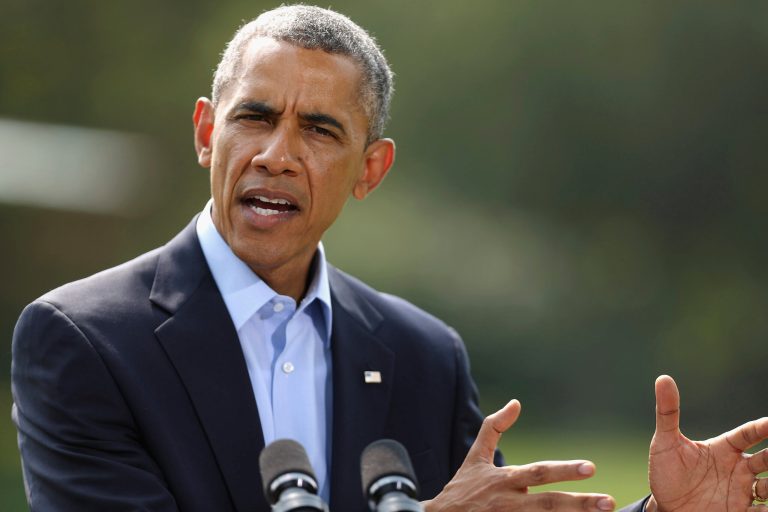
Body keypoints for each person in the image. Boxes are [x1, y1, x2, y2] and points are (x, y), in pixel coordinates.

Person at [11, 5, 768, 512]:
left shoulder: (423, 355)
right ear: (208, 132)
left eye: (318, 130)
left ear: (370, 169)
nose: (276, 154)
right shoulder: (81, 340)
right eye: (255, 116)